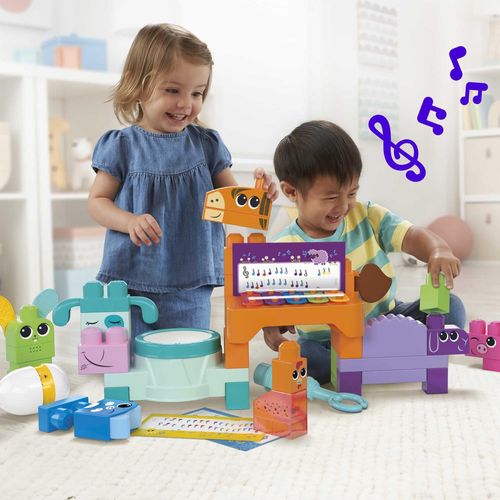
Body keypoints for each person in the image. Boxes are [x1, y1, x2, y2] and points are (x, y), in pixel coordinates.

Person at [88, 24, 277, 335]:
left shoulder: (206, 145)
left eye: (197, 93)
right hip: (131, 280)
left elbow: (235, 204)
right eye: (173, 90)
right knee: (132, 356)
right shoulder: (121, 146)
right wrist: (129, 221)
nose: (186, 104)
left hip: (193, 280)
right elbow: (97, 202)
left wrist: (260, 196)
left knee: (190, 353)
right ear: (138, 86)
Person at [263, 120, 466, 384]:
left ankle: (375, 359)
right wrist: (271, 326)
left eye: (351, 193)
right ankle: (386, 359)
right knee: (307, 358)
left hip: (389, 321)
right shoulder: (284, 248)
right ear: (292, 192)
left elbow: (411, 236)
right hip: (327, 341)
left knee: (451, 307)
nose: (344, 205)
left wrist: (437, 248)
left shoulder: (367, 216)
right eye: (331, 197)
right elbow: (268, 302)